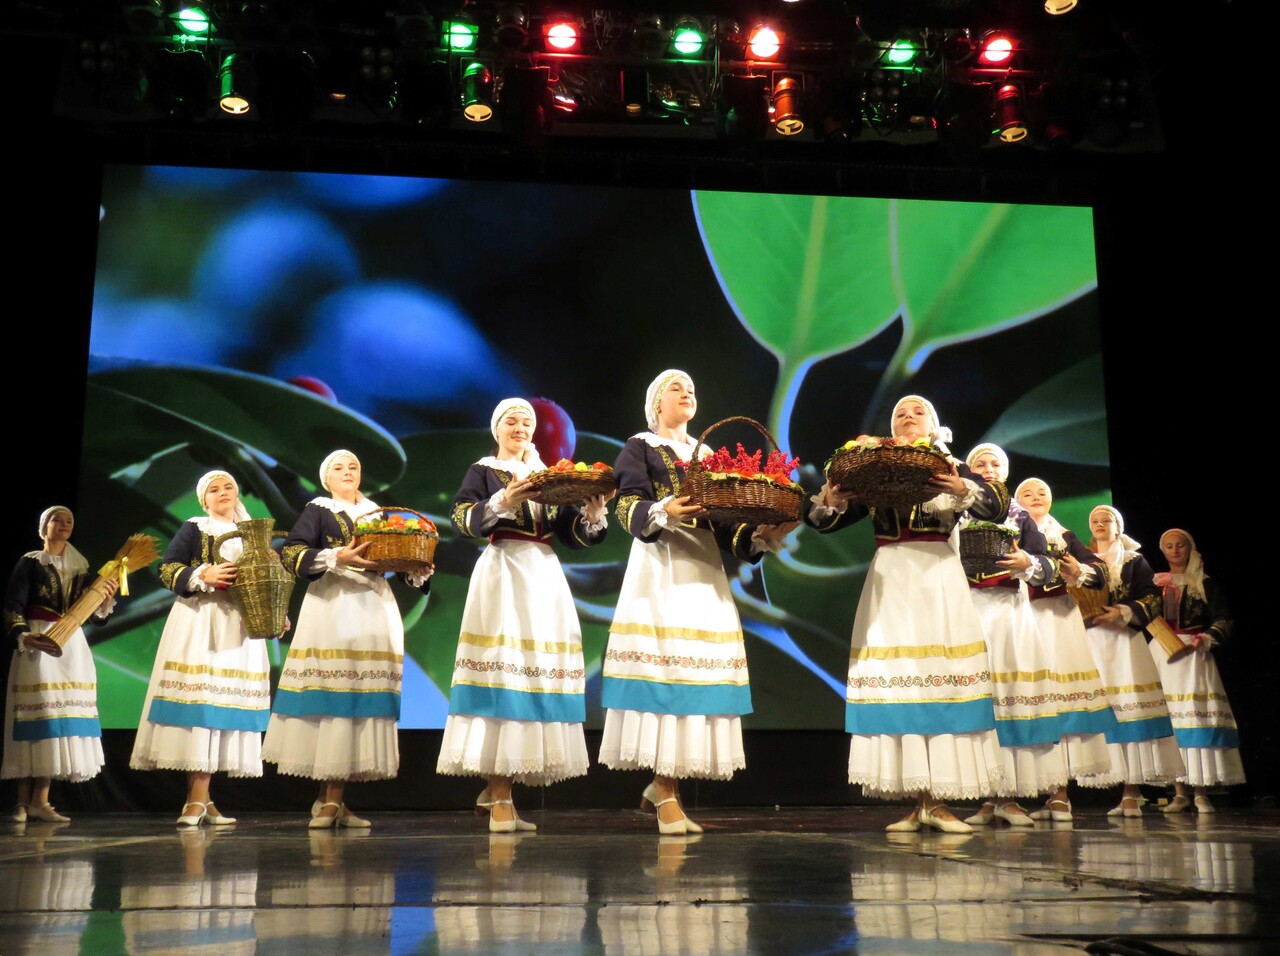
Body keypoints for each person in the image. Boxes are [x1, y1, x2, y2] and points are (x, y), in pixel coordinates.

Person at [599, 369, 795, 834]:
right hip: (661, 568)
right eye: (675, 387)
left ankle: (665, 785)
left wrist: (760, 536)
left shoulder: (708, 455)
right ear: (656, 404)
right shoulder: (640, 446)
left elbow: (728, 529)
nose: (686, 392)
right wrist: (663, 510)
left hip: (704, 569)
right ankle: (665, 791)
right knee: (667, 671)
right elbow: (626, 505)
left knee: (693, 676)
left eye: (691, 387)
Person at [808, 396, 1004, 834]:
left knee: (939, 675)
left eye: (917, 413)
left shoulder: (950, 464)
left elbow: (994, 505)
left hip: (937, 576)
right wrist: (833, 497)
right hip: (892, 578)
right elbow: (822, 520)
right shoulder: (874, 468)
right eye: (900, 414)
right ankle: (921, 801)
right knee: (904, 679)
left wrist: (959, 488)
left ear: (933, 424)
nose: (908, 417)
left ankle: (939, 800)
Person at [439, 398, 611, 832]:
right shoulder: (484, 471)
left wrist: (591, 515)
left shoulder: (549, 475)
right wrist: (501, 501)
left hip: (543, 575)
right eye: (511, 421)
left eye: (527, 422)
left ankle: (501, 789)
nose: (520, 427)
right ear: (496, 430)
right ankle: (499, 796)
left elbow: (570, 532)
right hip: (504, 571)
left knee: (532, 677)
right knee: (505, 677)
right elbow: (461, 518)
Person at [263, 449, 432, 828]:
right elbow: (293, 553)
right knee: (335, 702)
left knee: (358, 703)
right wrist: (338, 556)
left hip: (374, 607)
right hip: (334, 606)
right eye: (338, 467)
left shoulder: (380, 515)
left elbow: (394, 560)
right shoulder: (319, 509)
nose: (347, 471)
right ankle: (330, 799)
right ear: (326, 479)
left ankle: (334, 801)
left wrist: (416, 569)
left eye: (353, 466)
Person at [130, 470, 275, 826]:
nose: (223, 492)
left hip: (240, 628)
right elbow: (168, 570)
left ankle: (205, 800)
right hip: (201, 622)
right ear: (204, 500)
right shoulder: (195, 527)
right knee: (202, 708)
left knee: (222, 709)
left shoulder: (256, 536)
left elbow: (270, 583)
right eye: (214, 489)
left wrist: (277, 615)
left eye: (228, 487)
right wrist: (203, 575)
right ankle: (195, 799)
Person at [959, 444, 1063, 828]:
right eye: (979, 464)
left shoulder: (1020, 515)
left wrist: (1028, 562)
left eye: (994, 464)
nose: (987, 469)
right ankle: (988, 794)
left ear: (1004, 473)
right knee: (978, 698)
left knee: (1008, 697)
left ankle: (1010, 795)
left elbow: (1048, 563)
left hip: (1007, 611)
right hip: (965, 609)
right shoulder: (951, 510)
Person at [1013, 478, 1118, 822]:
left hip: (1056, 621)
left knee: (1058, 702)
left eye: (1042, 492)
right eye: (1027, 493)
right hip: (1017, 617)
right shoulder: (1006, 530)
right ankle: (1008, 796)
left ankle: (1059, 794)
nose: (1036, 497)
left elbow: (1100, 573)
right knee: (1020, 701)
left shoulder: (1065, 536)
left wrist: (1079, 571)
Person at [3, 506, 117, 822]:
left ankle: (41, 799)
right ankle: (21, 801)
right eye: (57, 519)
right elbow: (13, 604)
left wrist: (104, 601)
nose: (64, 524)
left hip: (71, 645)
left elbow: (94, 615)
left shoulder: (80, 568)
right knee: (36, 712)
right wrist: (23, 635)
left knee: (56, 717)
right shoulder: (30, 562)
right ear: (44, 527)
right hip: (38, 640)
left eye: (69, 520)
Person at [1085, 504, 1184, 817]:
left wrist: (1124, 612)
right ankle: (1118, 787)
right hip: (1093, 642)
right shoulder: (1083, 563)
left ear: (1118, 527)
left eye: (1107, 520)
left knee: (1128, 709)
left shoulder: (1132, 560)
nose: (1101, 524)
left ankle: (1132, 790)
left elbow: (1152, 598)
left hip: (1124, 641)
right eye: (1095, 521)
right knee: (1105, 709)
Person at [1151, 528, 1245, 813]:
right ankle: (1179, 791)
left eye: (1180, 545)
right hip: (1163, 650)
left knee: (1196, 715)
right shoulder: (1156, 584)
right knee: (1172, 718)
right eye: (1169, 546)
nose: (1175, 550)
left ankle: (1201, 790)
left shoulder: (1204, 583)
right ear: (1163, 551)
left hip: (1194, 653)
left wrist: (1206, 638)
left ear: (1190, 548)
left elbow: (1223, 618)